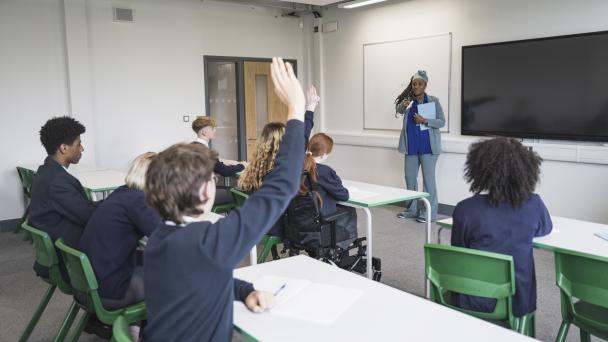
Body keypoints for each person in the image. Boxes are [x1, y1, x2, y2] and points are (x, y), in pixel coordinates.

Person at [142, 57, 306, 341]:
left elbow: (202, 276)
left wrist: (245, 291)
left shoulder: (161, 236)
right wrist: (297, 110)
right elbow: (281, 187)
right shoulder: (208, 243)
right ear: (206, 192)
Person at [450, 137, 552, 318]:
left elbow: (459, 250)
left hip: (470, 298)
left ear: (479, 169)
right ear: (526, 170)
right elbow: (545, 229)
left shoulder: (464, 209)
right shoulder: (533, 204)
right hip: (516, 301)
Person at [78, 152, 161, 310]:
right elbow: (166, 235)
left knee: (152, 258)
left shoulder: (122, 192)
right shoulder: (139, 201)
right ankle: (143, 329)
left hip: (88, 282)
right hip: (107, 290)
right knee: (172, 274)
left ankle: (134, 326)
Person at [237, 85, 319, 236]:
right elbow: (303, 135)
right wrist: (310, 108)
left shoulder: (256, 165)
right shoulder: (283, 166)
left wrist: (310, 108)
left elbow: (303, 136)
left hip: (256, 222)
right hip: (277, 225)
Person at [29, 116, 97, 278]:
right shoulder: (58, 182)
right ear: (64, 148)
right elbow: (88, 216)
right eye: (78, 143)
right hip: (68, 262)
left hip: (55, 250)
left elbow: (82, 208)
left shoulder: (45, 171)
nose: (82, 148)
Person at [395, 70, 445, 222]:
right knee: (410, 178)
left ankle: (429, 213)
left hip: (428, 148)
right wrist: (403, 106)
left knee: (429, 181)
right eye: (414, 84)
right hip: (411, 147)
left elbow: (441, 122)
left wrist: (425, 121)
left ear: (425, 85)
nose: (416, 86)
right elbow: (399, 110)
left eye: (420, 84)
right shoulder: (408, 102)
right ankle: (412, 210)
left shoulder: (433, 101)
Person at [301, 133, 356, 249]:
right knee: (349, 209)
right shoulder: (325, 172)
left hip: (302, 221)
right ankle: (344, 243)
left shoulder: (299, 168)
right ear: (324, 154)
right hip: (320, 220)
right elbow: (344, 195)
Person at [191, 116, 247, 206]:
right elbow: (225, 171)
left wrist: (227, 162)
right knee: (238, 192)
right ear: (204, 132)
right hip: (202, 194)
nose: (215, 130)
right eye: (212, 128)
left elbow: (215, 163)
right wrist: (243, 165)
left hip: (192, 192)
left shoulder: (192, 146)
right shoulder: (205, 151)